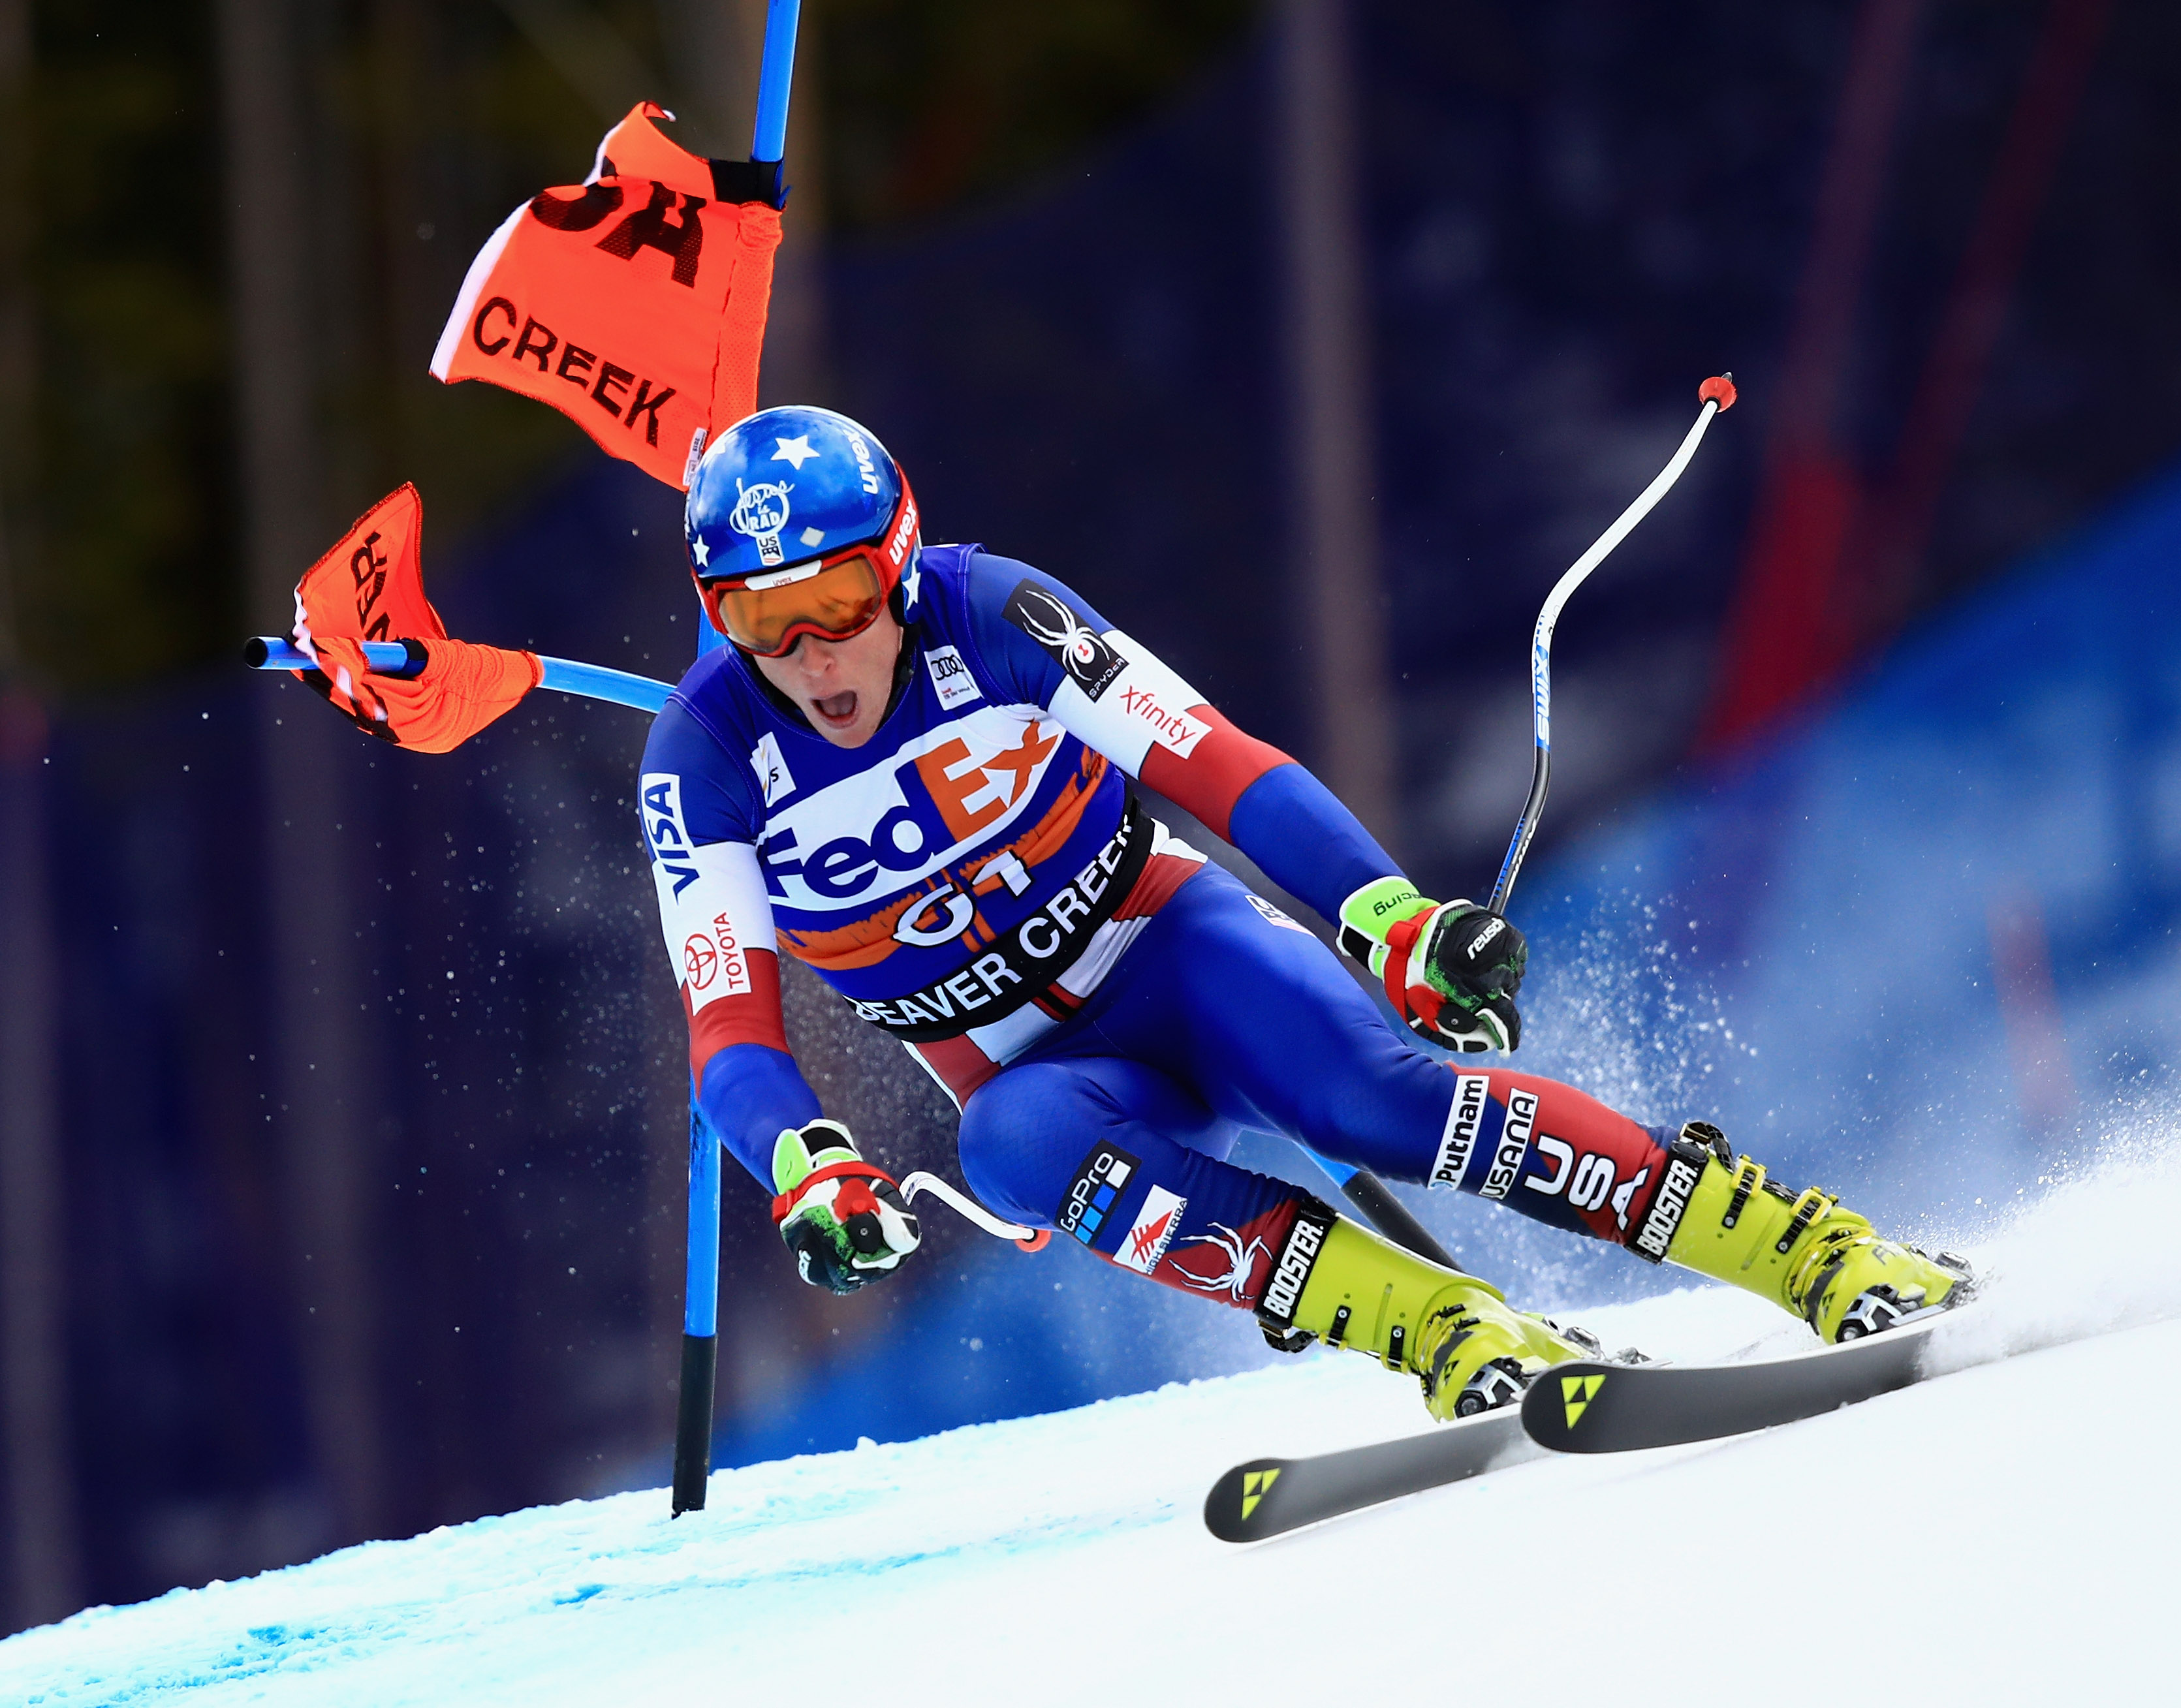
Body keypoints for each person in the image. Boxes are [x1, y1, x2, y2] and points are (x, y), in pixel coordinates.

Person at [640, 403, 1969, 1423]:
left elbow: (1216, 762)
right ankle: (1440, 1327)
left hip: (1171, 954)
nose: (812, 653)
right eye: (761, 617)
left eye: (838, 601)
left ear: (901, 563)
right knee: (1011, 1147)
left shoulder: (996, 615)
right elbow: (730, 1035)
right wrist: (805, 1163)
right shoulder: (699, 759)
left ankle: (1802, 1248)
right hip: (1037, 1068)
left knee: (1371, 1102)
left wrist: (1386, 914)